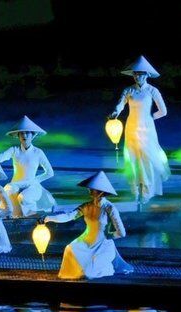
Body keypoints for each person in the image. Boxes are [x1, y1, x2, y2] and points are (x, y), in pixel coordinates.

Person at [42, 171, 133, 279]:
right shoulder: (87, 206)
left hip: (102, 244)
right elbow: (69, 216)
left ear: (100, 192)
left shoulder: (110, 208)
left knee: (90, 272)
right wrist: (50, 218)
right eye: (90, 188)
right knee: (70, 248)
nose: (89, 190)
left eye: (92, 188)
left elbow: (122, 232)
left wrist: (109, 236)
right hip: (86, 240)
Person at [108, 56, 171, 203]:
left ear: (147, 75)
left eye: (140, 74)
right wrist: (115, 112)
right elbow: (120, 104)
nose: (137, 77)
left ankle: (147, 191)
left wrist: (150, 117)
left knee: (147, 158)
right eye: (135, 74)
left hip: (147, 129)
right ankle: (135, 190)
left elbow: (163, 111)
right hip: (131, 127)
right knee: (132, 158)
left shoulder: (152, 90)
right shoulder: (129, 90)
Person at [0, 116, 56, 217]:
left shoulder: (38, 152)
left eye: (27, 133)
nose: (24, 135)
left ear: (32, 135)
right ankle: (2, 217)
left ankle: (33, 216)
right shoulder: (14, 150)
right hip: (16, 184)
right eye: (21, 133)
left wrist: (35, 180)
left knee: (24, 198)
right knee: (5, 193)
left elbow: (50, 173)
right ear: (18, 136)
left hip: (32, 185)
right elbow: (0, 158)